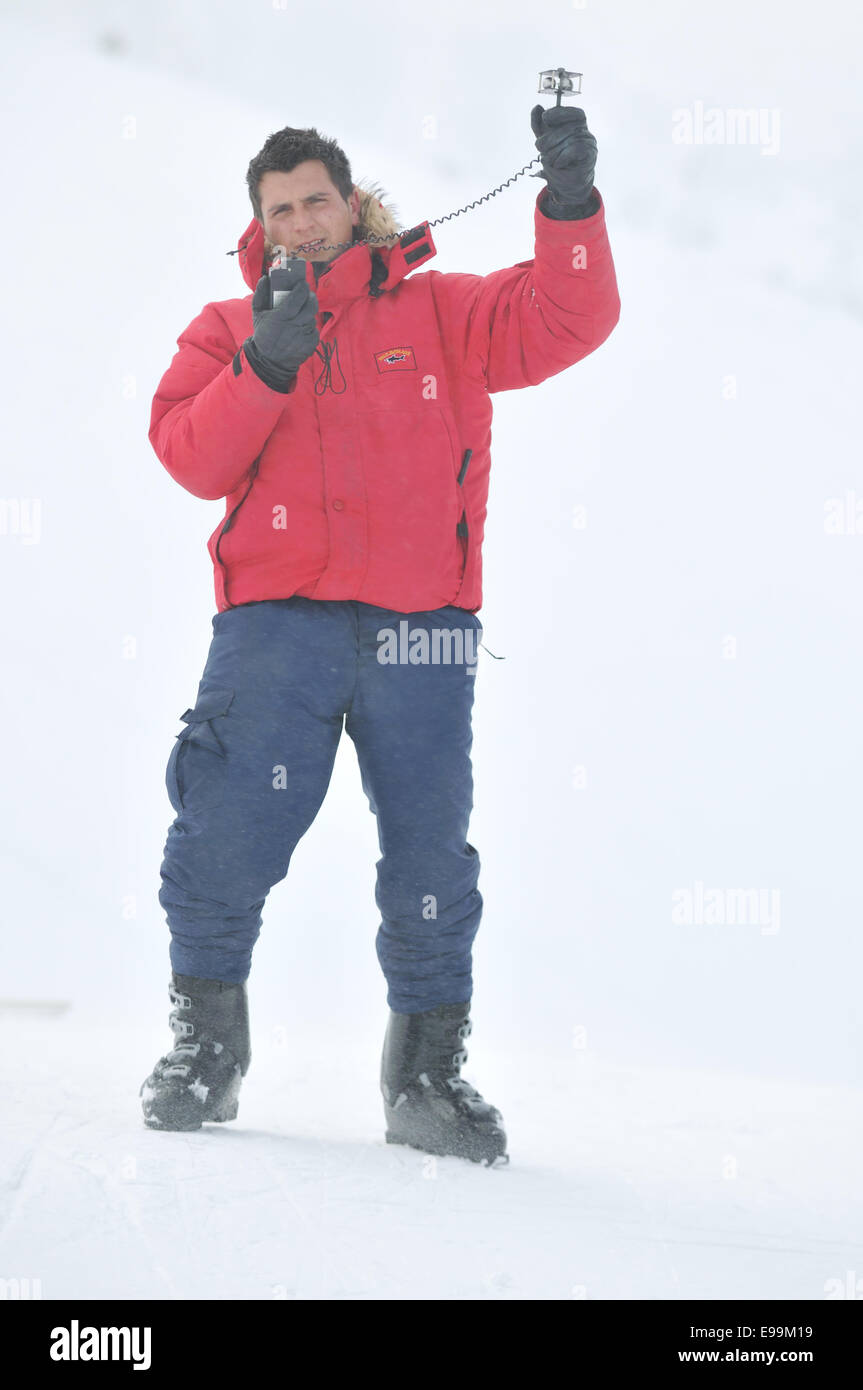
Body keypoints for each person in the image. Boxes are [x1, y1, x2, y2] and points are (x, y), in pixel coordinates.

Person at [140, 105, 621, 1166]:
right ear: (258, 226)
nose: (303, 224)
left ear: (352, 205)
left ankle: (425, 1077)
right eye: (282, 211)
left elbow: (565, 319)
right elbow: (189, 458)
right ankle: (204, 1050)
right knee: (224, 829)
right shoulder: (225, 330)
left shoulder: (443, 312)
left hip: (423, 631)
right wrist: (266, 363)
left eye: (318, 201)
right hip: (278, 627)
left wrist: (571, 205)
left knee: (428, 855)